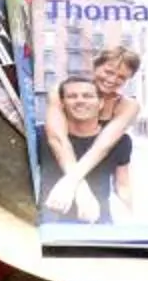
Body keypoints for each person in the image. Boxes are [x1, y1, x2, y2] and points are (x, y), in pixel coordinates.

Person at [42, 41, 140, 217]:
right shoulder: (61, 91)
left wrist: (71, 182)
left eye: (121, 77)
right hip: (60, 167)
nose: (112, 80)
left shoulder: (127, 105)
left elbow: (103, 145)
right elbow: (57, 139)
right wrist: (79, 189)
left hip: (97, 175)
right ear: (95, 66)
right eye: (108, 72)